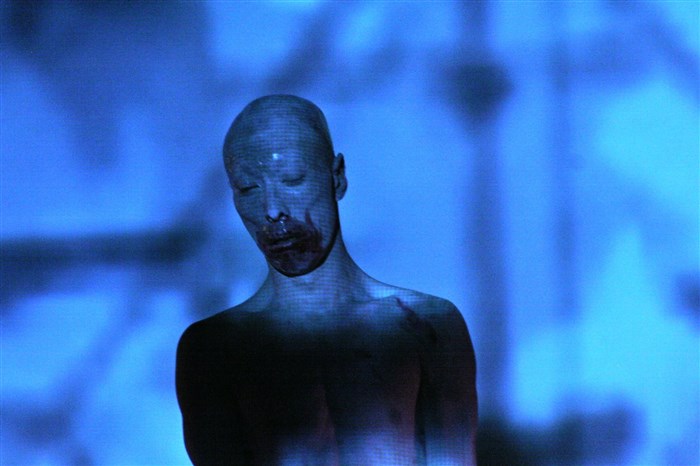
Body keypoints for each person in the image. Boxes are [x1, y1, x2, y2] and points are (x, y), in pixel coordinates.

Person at [176, 95, 478, 465]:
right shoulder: (213, 349)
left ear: (337, 177)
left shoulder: (427, 325)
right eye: (248, 189)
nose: (272, 209)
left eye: (293, 179)